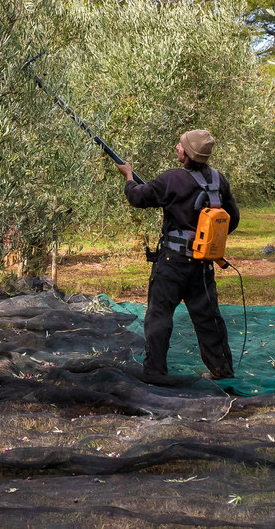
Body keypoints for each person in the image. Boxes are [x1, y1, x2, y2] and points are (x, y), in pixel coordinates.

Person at [117, 128, 238, 384]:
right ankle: (222, 371)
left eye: (180, 145)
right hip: (203, 264)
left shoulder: (172, 179)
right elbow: (233, 220)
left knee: (159, 316)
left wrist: (128, 176)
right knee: (208, 319)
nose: (177, 148)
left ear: (187, 153)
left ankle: (155, 373)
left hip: (173, 263)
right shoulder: (219, 181)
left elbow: (138, 198)